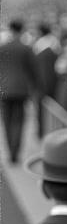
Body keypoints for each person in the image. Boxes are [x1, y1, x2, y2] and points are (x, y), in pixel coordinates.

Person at [0, 19, 39, 163]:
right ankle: (15, 152)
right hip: (21, 90)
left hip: (4, 89)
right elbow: (33, 70)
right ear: (22, 30)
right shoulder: (26, 48)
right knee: (18, 121)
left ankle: (10, 150)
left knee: (7, 121)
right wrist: (34, 87)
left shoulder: (3, 47)